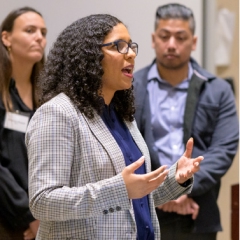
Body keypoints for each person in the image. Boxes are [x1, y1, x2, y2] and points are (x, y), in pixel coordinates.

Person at [25, 14, 203, 240]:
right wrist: (119, 189)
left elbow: (136, 197)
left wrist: (175, 178)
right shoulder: (58, 113)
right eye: (118, 46)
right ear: (89, 56)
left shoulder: (121, 115)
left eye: (131, 46)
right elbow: (43, 201)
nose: (131, 53)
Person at [133, 3, 239, 240]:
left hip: (198, 211)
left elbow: (224, 148)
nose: (171, 44)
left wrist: (183, 186)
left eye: (180, 37)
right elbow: (121, 145)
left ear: (194, 42)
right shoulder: (131, 87)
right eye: (164, 36)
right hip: (142, 210)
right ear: (153, 39)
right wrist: (161, 191)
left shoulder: (218, 89)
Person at [0, 6, 47, 240]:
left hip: (46, 215)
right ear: (6, 37)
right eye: (30, 30)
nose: (39, 37)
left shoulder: (49, 96)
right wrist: (27, 215)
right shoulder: (2, 92)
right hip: (9, 219)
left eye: (43, 32)